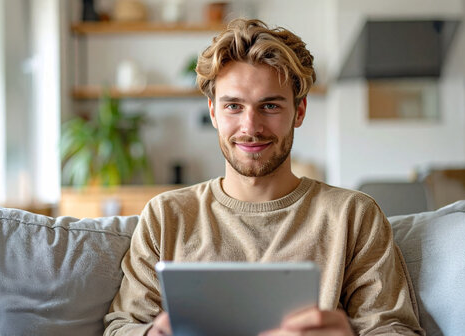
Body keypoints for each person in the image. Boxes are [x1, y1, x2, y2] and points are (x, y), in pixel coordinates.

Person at [104, 19, 424, 336]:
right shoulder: (165, 216)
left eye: (269, 105)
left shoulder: (354, 216)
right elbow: (121, 327)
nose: (250, 126)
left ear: (299, 112)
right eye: (233, 106)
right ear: (214, 112)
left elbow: (394, 330)